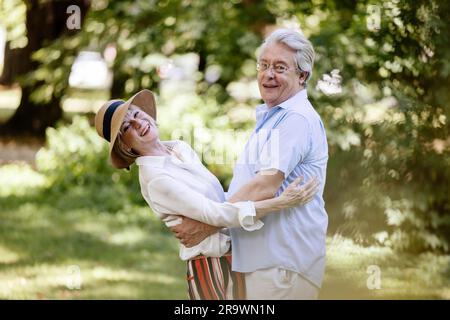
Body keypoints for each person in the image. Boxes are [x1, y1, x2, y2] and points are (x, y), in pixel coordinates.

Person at [94, 89, 320, 300]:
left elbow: (219, 201)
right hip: (211, 268)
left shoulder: (179, 149)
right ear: (125, 146)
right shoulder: (155, 179)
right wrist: (280, 202)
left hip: (235, 257)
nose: (136, 123)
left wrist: (258, 191)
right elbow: (215, 213)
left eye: (135, 113)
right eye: (126, 128)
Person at [172, 28, 329, 300]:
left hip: (282, 265)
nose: (268, 74)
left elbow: (265, 186)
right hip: (267, 263)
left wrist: (208, 224)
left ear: (302, 76)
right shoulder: (275, 117)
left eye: (280, 67)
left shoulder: (295, 119)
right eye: (264, 65)